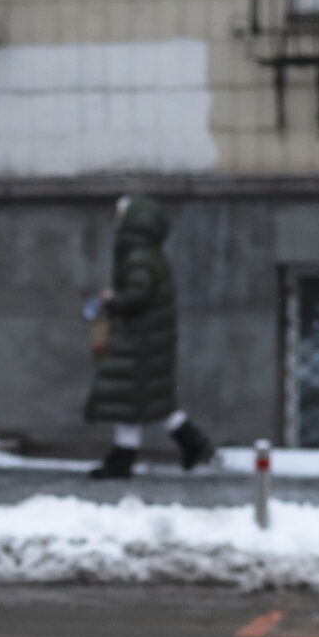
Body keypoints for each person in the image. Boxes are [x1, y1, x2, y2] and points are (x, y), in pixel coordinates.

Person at [83, 193, 213, 479]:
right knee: (150, 401)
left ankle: (123, 460)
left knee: (127, 400)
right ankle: (191, 443)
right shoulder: (148, 254)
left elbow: (137, 296)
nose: (116, 223)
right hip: (147, 340)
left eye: (120, 217)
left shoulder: (139, 257)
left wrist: (111, 299)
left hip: (138, 341)